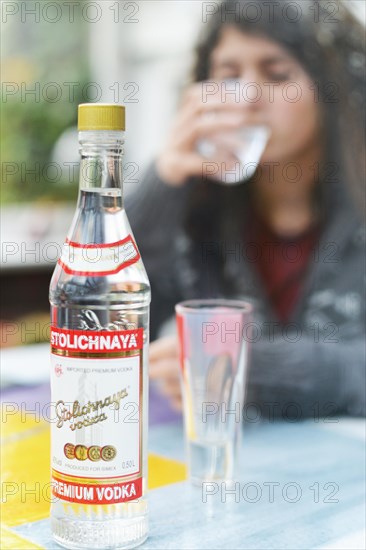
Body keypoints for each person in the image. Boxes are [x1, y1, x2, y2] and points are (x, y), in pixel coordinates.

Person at [127, 0, 365, 418]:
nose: (249, 97)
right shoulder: (194, 208)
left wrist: (263, 371)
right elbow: (97, 321)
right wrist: (162, 183)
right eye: (229, 76)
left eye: (277, 75)